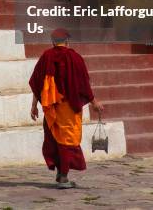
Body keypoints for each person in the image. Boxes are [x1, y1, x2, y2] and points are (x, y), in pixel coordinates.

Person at [29, 28, 104, 189]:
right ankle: (63, 177)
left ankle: (60, 172)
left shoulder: (46, 57)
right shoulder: (74, 58)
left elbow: (38, 83)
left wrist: (34, 105)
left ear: (52, 42)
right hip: (67, 108)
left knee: (55, 139)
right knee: (66, 141)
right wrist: (94, 102)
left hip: (50, 108)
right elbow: (83, 84)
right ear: (67, 42)